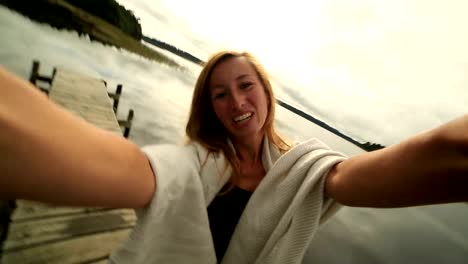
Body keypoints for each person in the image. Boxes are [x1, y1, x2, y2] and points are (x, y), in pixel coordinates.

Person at [0, 50, 467, 263]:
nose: (237, 103)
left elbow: (359, 177)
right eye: (220, 94)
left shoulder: (303, 171)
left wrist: (447, 150)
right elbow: (140, 170)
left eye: (246, 86)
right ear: (210, 106)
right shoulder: (195, 163)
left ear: (266, 92)